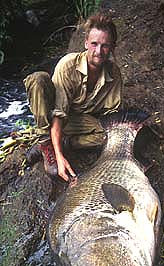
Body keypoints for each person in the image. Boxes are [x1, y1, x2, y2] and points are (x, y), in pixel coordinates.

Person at [24, 13, 122, 182]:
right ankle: (46, 143)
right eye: (94, 44)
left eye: (105, 46)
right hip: (54, 112)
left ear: (112, 47)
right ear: (85, 43)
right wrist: (59, 157)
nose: (98, 51)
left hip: (78, 119)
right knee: (37, 80)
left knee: (109, 136)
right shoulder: (68, 65)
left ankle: (65, 142)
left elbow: (111, 115)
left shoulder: (114, 74)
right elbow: (58, 113)